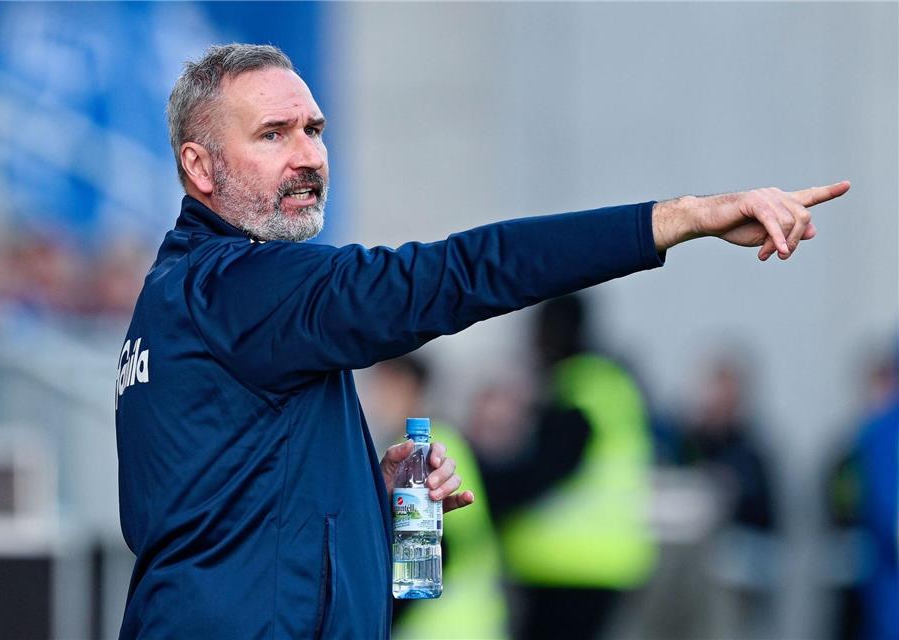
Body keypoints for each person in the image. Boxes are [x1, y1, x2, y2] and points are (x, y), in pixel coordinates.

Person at [114, 42, 849, 639]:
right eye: (273, 134)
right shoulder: (241, 284)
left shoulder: (189, 297)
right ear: (199, 167)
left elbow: (221, 523)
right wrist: (682, 218)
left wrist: (367, 494)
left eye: (314, 129)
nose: (307, 155)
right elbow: (458, 273)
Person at [475, 294, 656, 639]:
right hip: (598, 564)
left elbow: (543, 474)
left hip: (570, 568)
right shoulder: (608, 384)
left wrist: (483, 489)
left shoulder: (581, 390)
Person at [360, 355, 509, 639]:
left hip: (442, 625)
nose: (376, 399)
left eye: (386, 387)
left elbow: (437, 544)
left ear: (412, 388)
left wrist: (381, 616)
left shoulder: (426, 451)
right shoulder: (415, 445)